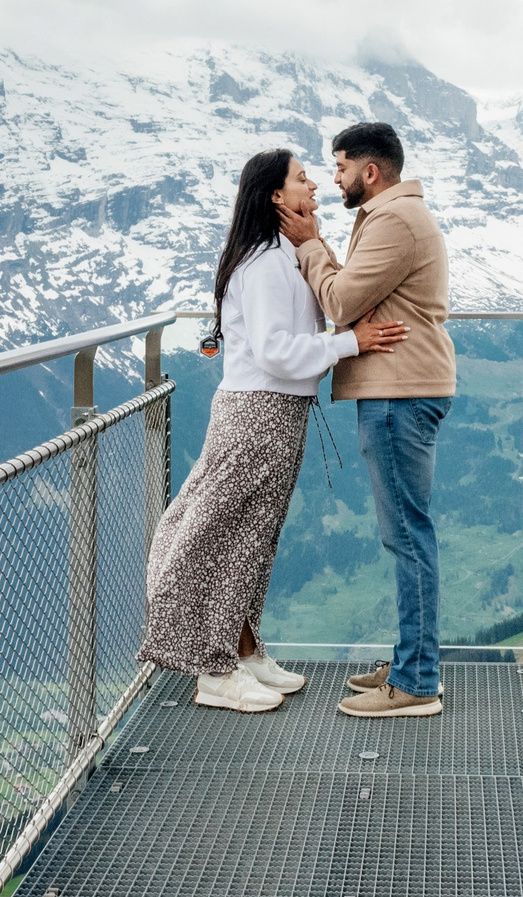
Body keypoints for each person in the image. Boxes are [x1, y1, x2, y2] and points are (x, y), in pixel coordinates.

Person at [142, 148, 406, 711]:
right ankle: (213, 670)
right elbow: (274, 351)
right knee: (222, 536)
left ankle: (242, 649)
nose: (314, 185)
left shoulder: (284, 253)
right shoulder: (263, 262)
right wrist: (349, 344)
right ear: (276, 196)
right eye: (302, 178)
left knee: (253, 538)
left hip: (277, 412)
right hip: (256, 411)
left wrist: (318, 252)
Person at [279, 121, 454, 719]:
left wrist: (308, 244)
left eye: (341, 167)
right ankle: (412, 661)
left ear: (370, 171)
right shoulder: (389, 216)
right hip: (399, 388)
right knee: (407, 532)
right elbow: (352, 293)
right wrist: (324, 251)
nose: (334, 179)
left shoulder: (393, 221)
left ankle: (415, 682)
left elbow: (339, 302)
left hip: (398, 392)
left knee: (406, 535)